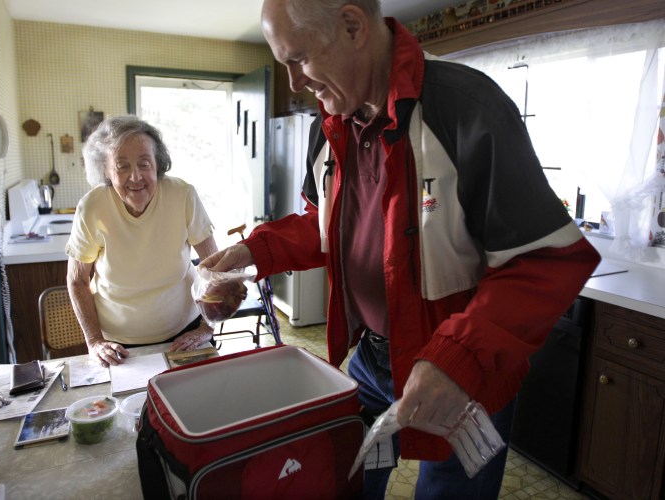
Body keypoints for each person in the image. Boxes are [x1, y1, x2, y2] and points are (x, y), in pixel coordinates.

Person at [200, 1, 601, 498]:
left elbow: (546, 260)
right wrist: (253, 252)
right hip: (371, 363)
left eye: (298, 59)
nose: (294, 82)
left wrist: (458, 359)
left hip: (462, 376)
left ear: (351, 26)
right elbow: (324, 224)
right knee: (347, 482)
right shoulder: (327, 126)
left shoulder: (466, 108)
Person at [66, 115, 218, 367]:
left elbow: (214, 266)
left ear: (157, 165)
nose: (135, 177)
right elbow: (77, 280)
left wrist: (207, 326)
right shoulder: (92, 207)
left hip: (185, 333)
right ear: (105, 170)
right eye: (122, 165)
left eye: (144, 164)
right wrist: (94, 341)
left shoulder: (182, 196)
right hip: (119, 346)